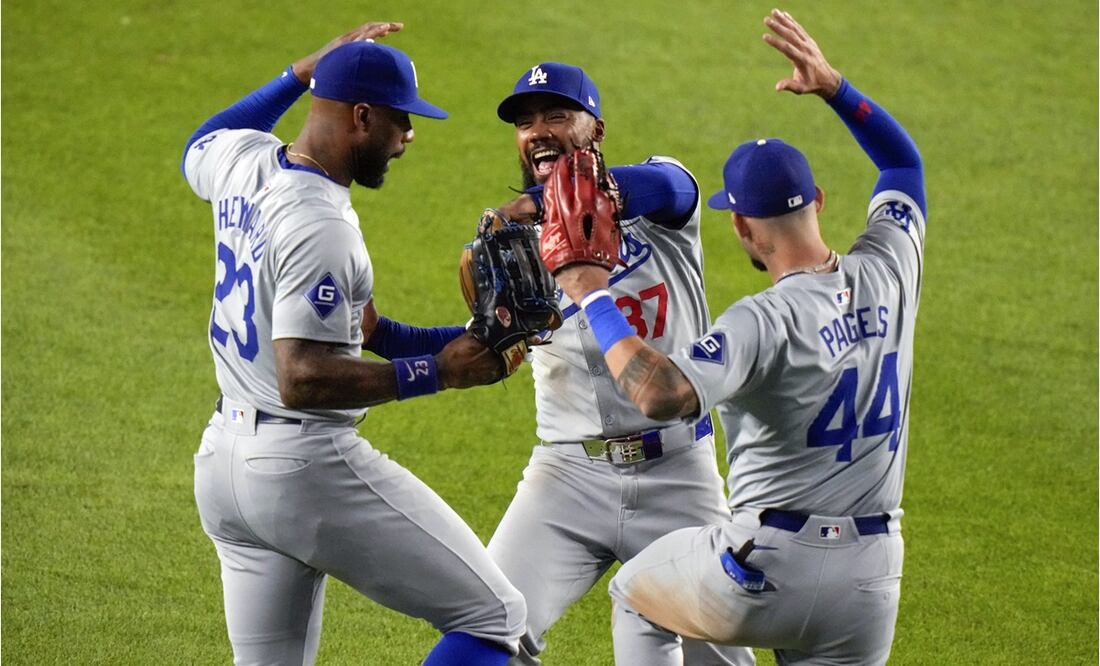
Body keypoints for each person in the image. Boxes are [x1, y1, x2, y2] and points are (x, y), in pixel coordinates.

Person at [549, 9, 925, 665]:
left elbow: (661, 394)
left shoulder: (762, 320)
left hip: (766, 571)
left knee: (637, 595)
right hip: (871, 579)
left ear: (743, 229)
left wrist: (592, 294)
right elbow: (904, 163)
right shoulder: (892, 265)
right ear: (821, 200)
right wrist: (835, 86)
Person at [181, 23, 526, 666]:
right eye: (402, 121)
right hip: (301, 468)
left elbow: (200, 142)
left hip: (225, 468)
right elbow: (304, 378)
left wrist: (482, 340)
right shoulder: (321, 224)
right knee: (494, 614)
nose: (409, 137)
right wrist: (437, 373)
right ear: (362, 117)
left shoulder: (244, 161)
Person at [488, 63, 755, 666]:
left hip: (678, 473)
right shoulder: (516, 243)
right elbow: (484, 346)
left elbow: (673, 187)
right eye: (525, 122)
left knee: (721, 659)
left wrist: (555, 199)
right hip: (566, 478)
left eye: (556, 115)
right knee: (486, 622)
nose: (538, 131)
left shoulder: (663, 203)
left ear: (597, 128)